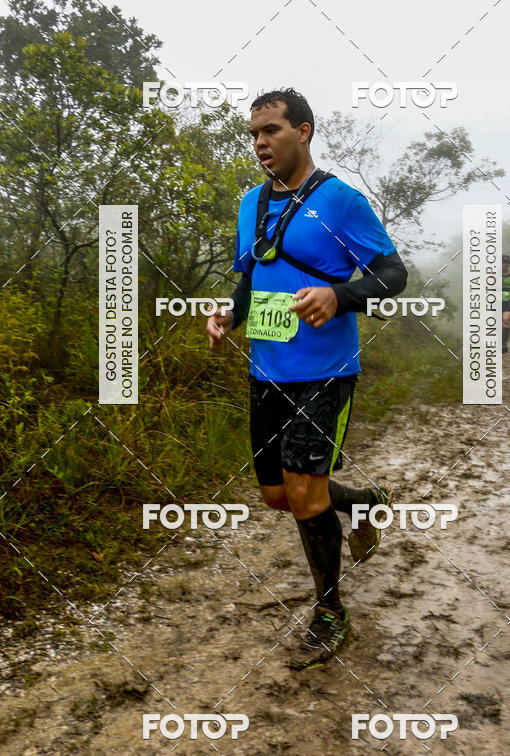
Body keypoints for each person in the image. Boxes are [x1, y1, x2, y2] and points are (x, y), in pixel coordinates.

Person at [206, 88, 407, 669]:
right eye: (253, 134)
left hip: (325, 372)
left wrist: (340, 295)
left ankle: (330, 611)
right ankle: (366, 503)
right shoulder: (250, 204)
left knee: (304, 495)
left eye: (270, 130)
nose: (260, 143)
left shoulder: (341, 201)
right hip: (265, 370)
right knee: (278, 497)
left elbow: (393, 272)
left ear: (304, 131)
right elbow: (248, 276)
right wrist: (229, 315)